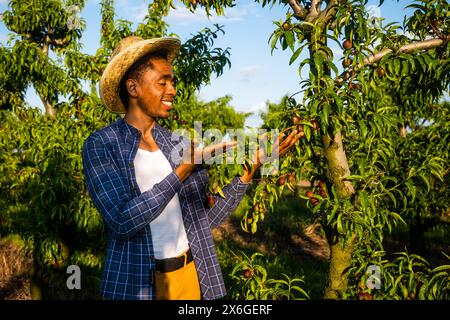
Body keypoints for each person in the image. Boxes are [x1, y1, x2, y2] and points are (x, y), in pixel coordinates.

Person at [82, 36, 303, 300]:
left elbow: (203, 221)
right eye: (162, 82)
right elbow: (121, 221)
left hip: (191, 277)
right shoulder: (102, 145)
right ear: (133, 88)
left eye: (172, 81)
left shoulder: (178, 144)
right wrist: (181, 172)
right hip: (136, 283)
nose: (172, 89)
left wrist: (249, 171)